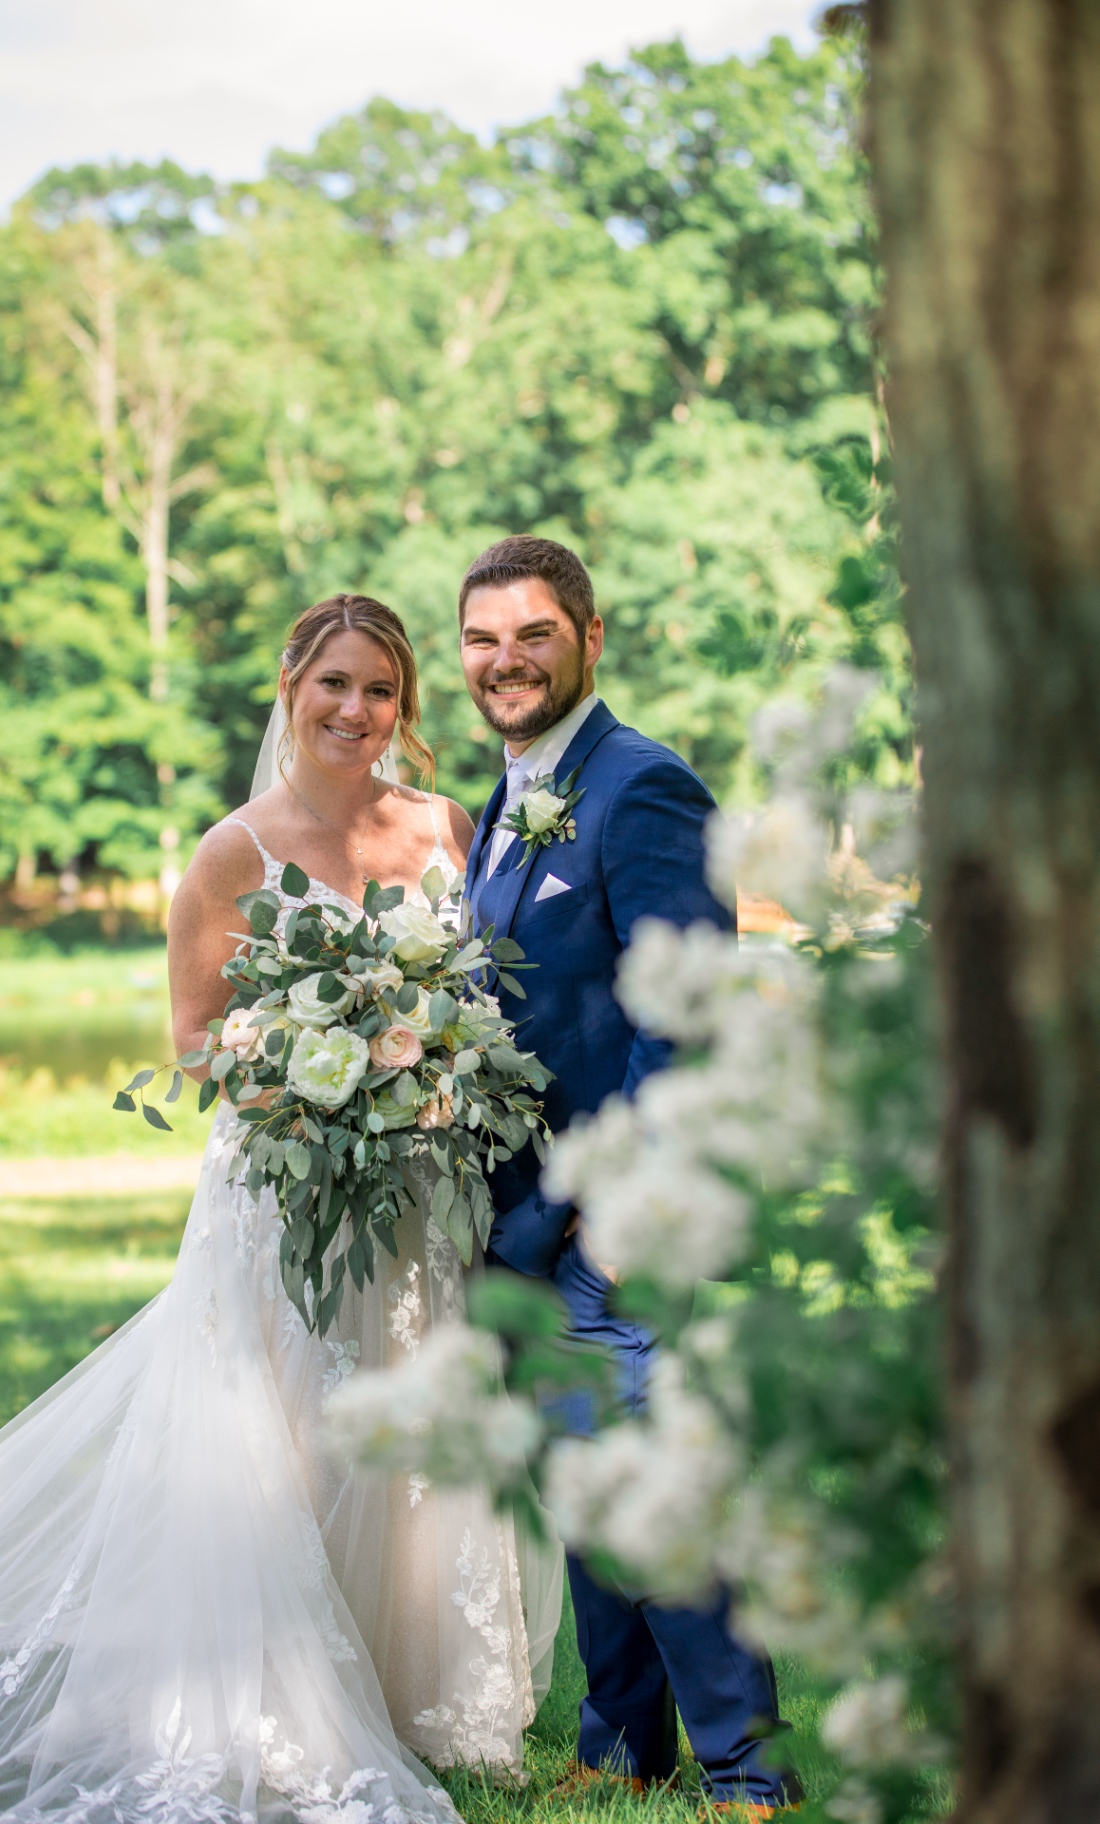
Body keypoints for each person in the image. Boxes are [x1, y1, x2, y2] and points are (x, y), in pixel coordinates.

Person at [0, 593, 560, 1824]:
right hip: (290, 1192)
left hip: (421, 1195)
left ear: (403, 707)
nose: (356, 711)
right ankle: (287, 1692)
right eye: (334, 685)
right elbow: (195, 1047)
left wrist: (426, 1068)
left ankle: (428, 1696)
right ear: (290, 687)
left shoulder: (452, 827)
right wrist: (330, 1066)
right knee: (291, 1430)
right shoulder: (232, 853)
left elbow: (489, 1006)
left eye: (379, 689)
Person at [459, 537, 800, 1818]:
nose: (506, 661)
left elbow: (687, 1014)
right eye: (483, 640)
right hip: (526, 1220)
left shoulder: (641, 786)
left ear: (589, 639)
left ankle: (752, 1774)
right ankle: (620, 1746)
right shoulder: (513, 795)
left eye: (533, 634)